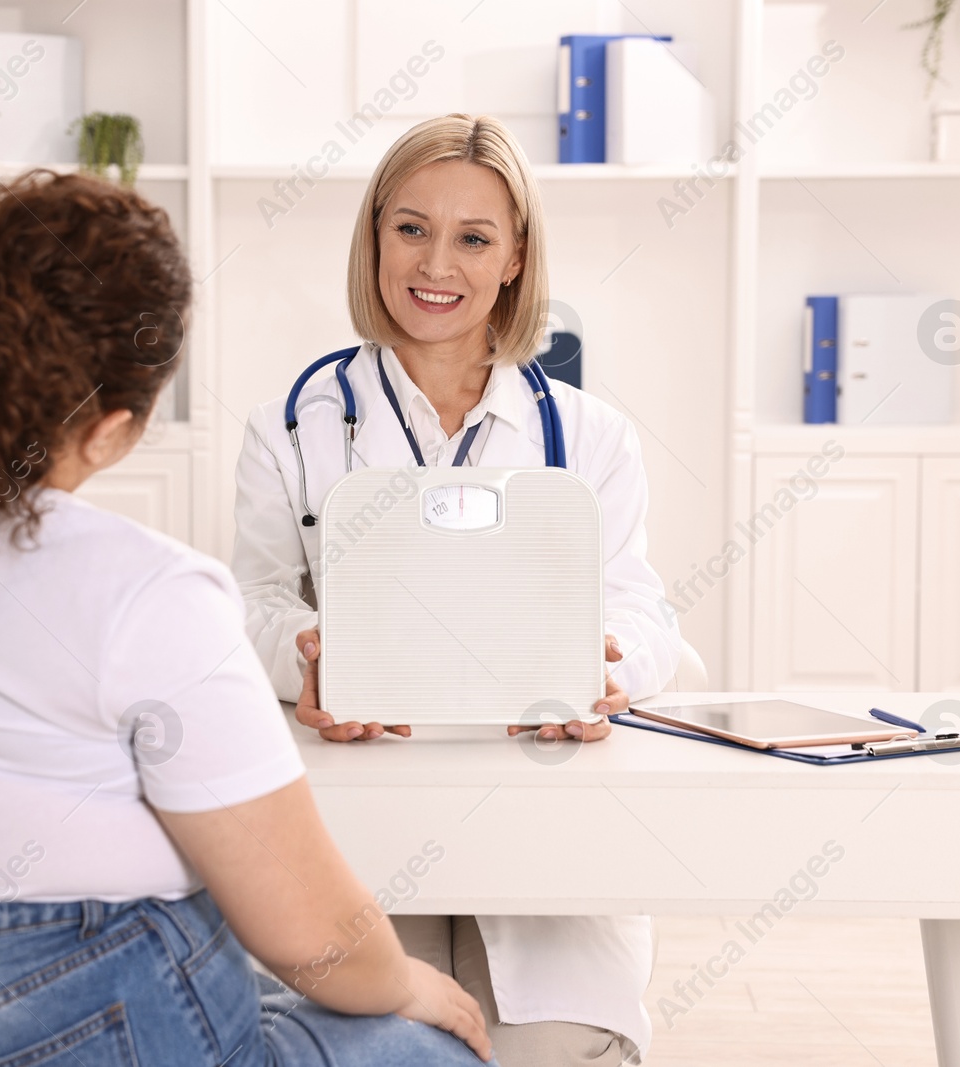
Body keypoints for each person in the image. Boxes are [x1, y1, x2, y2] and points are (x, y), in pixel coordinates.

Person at [0, 169, 495, 1067]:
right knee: (431, 1050)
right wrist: (411, 988)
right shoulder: (144, 589)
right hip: (80, 1018)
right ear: (109, 429)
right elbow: (312, 932)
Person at [230, 114, 683, 1065]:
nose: (437, 263)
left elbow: (642, 612)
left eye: (474, 237)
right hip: (357, 818)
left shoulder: (591, 437)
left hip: (539, 818)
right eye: (410, 228)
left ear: (516, 256)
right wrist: (312, 653)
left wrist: (608, 668)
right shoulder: (292, 429)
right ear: (375, 236)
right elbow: (256, 602)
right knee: (379, 1046)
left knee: (545, 1048)